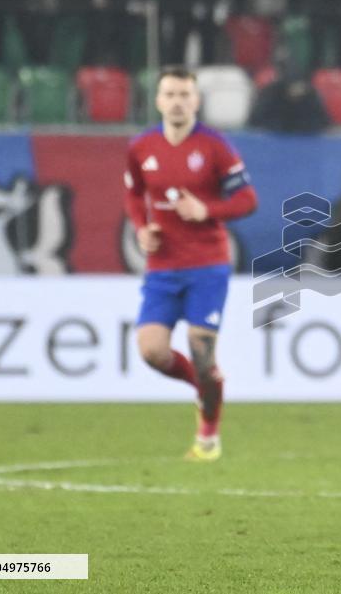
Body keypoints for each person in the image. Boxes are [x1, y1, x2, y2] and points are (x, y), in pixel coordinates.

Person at [123, 66, 258, 462]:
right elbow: (133, 193)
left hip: (207, 264)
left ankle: (208, 438)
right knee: (151, 351)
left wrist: (207, 208)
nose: (178, 101)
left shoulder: (215, 147)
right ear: (158, 100)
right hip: (162, 266)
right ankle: (205, 387)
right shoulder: (141, 148)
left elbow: (248, 200)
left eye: (185, 94)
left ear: (196, 101)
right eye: (171, 94)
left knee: (201, 353)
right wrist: (140, 228)